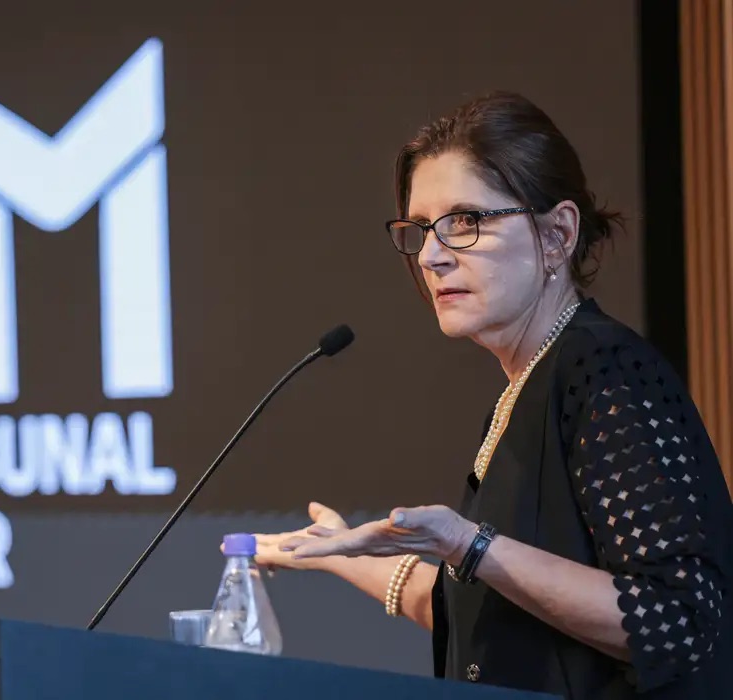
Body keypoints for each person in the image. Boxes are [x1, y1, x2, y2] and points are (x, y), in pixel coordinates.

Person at [257, 91, 733, 698]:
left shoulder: (605, 369)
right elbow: (496, 620)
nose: (432, 257)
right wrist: (335, 554)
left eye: (465, 222)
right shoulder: (527, 386)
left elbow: (676, 619)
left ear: (558, 234)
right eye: (421, 229)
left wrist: (468, 543)